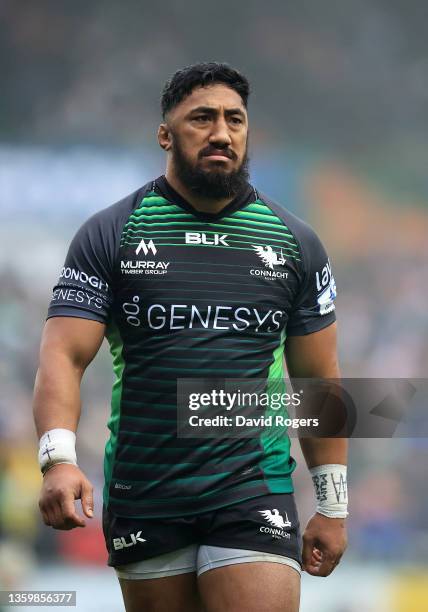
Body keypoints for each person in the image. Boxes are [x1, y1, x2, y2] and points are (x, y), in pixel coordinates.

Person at [33, 62, 348, 612]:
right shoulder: (112, 231)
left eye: (235, 120)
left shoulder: (295, 241)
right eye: (202, 118)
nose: (221, 133)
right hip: (146, 486)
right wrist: (57, 458)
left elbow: (317, 380)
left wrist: (334, 503)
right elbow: (64, 353)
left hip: (254, 486)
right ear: (165, 134)